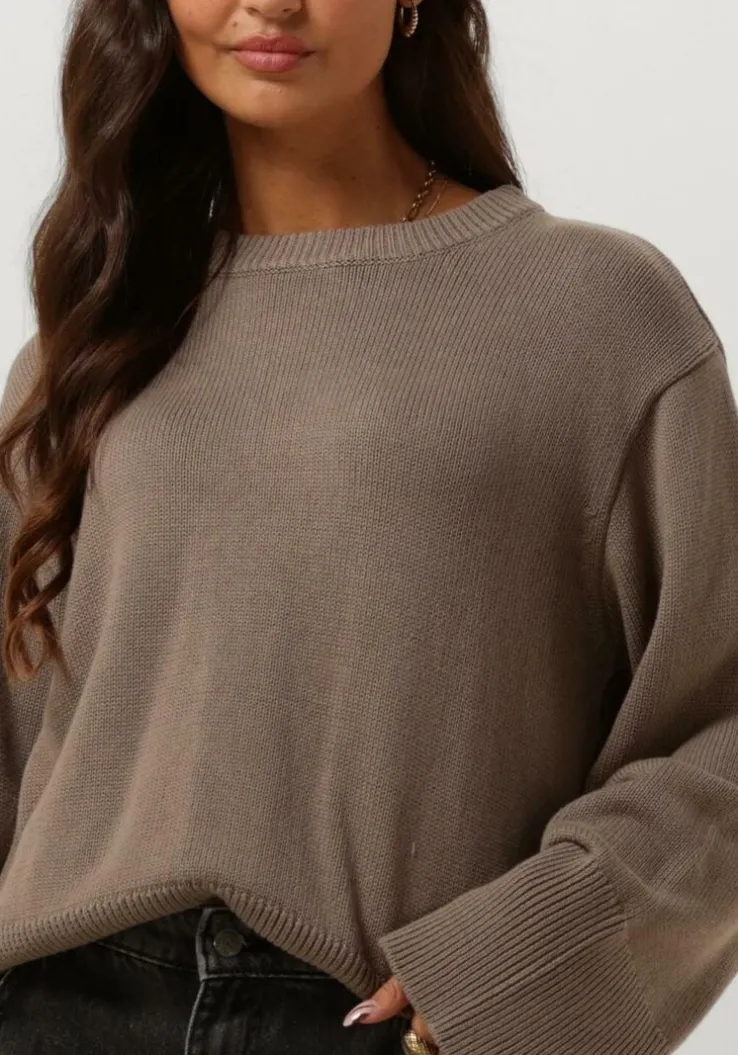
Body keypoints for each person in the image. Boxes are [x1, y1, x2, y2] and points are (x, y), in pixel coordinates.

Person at [0, 0, 737, 1052]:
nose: (271, 2)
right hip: (57, 1003)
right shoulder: (88, 345)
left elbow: (720, 730)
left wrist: (506, 976)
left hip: (371, 1011)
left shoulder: (599, 313)